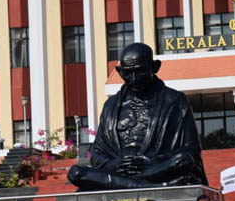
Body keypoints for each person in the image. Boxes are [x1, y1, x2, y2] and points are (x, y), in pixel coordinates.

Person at [67, 43, 208, 190]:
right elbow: (97, 154)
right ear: (119, 71)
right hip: (120, 171)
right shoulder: (111, 106)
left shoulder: (174, 101)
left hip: (156, 169)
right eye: (127, 73)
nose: (133, 79)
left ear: (155, 67)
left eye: (139, 71)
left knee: (183, 161)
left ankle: (128, 183)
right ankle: (147, 186)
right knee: (76, 172)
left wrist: (152, 162)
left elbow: (190, 150)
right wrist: (115, 164)